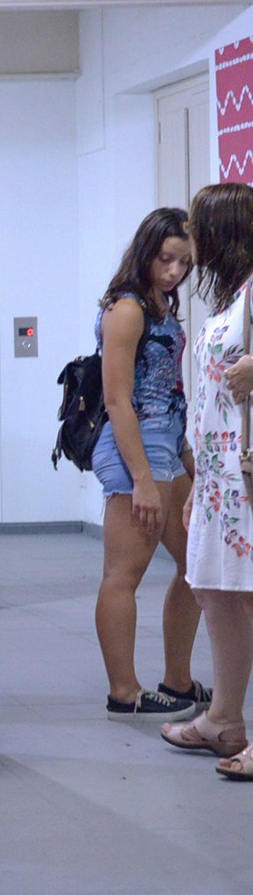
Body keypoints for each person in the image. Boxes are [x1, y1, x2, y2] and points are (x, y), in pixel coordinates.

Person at [90, 209, 208, 727]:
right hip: (131, 452)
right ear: (146, 252)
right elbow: (118, 400)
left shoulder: (161, 305)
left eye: (183, 262)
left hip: (165, 449)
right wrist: (141, 479)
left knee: (196, 564)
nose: (175, 271)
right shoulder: (127, 309)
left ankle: (177, 680)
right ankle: (124, 691)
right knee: (124, 574)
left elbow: (169, 391)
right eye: (166, 259)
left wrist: (184, 454)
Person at [175, 184, 253, 772]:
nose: (193, 243)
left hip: (246, 475)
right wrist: (198, 479)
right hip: (219, 477)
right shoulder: (231, 299)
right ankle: (224, 719)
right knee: (213, 588)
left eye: (200, 228)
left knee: (244, 596)